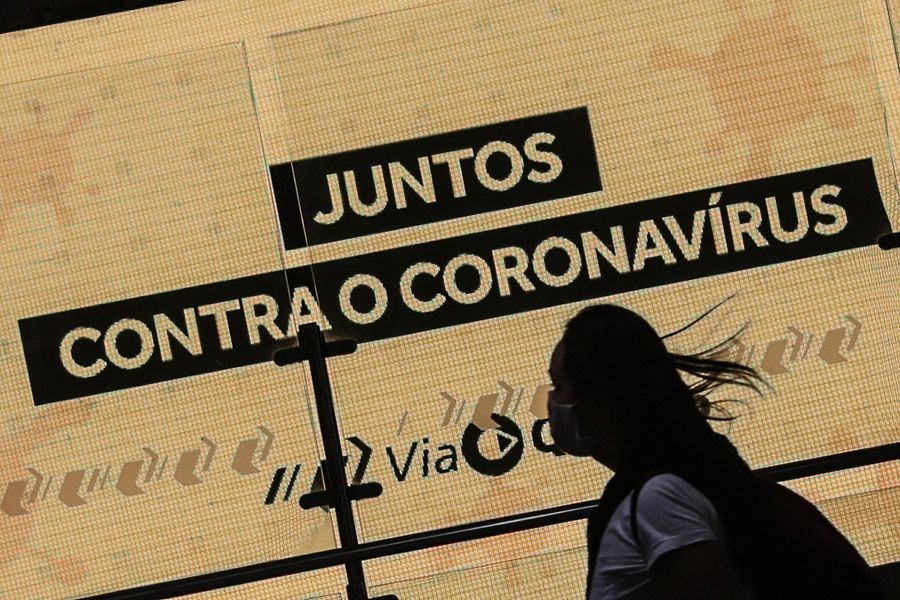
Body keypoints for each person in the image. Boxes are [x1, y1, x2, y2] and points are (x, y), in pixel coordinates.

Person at [546, 302, 801, 599]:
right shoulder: (691, 470)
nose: (552, 401)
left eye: (559, 386)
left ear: (599, 401)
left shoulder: (659, 501)